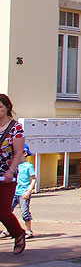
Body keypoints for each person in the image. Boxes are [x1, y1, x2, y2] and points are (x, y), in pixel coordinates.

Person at [0, 93, 26, 253]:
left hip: (6, 175)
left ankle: (18, 234)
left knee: (3, 212)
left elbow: (18, 153)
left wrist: (11, 171)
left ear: (7, 108)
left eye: (0, 107)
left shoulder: (15, 128)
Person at [12, 143, 36, 238]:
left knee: (24, 212)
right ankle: (9, 229)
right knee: (7, 211)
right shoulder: (14, 165)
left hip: (23, 193)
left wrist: (28, 191)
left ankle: (28, 230)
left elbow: (34, 179)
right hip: (13, 192)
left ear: (24, 153)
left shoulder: (28, 166)